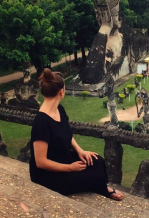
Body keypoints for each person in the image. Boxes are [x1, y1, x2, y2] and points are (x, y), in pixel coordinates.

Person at [29, 69, 123, 200]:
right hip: (47, 175)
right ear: (61, 91)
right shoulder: (42, 121)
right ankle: (103, 189)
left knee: (97, 161)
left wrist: (80, 151)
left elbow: (67, 134)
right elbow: (40, 162)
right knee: (92, 176)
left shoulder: (59, 109)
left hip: (63, 157)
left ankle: (100, 187)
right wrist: (70, 168)